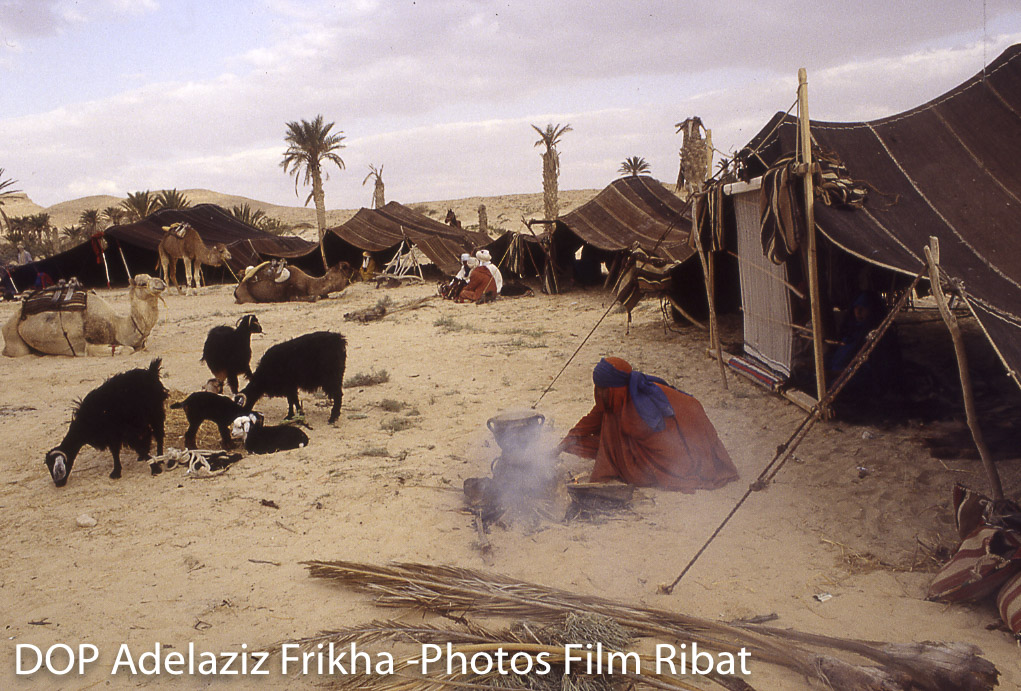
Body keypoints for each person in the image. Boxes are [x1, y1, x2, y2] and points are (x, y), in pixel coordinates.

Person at [558, 357, 739, 493]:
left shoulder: (638, 406)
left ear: (613, 388)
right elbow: (592, 418)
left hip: (691, 449)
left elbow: (671, 449)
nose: (599, 394)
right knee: (606, 423)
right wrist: (565, 443)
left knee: (610, 425)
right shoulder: (621, 394)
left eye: (602, 390)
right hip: (681, 444)